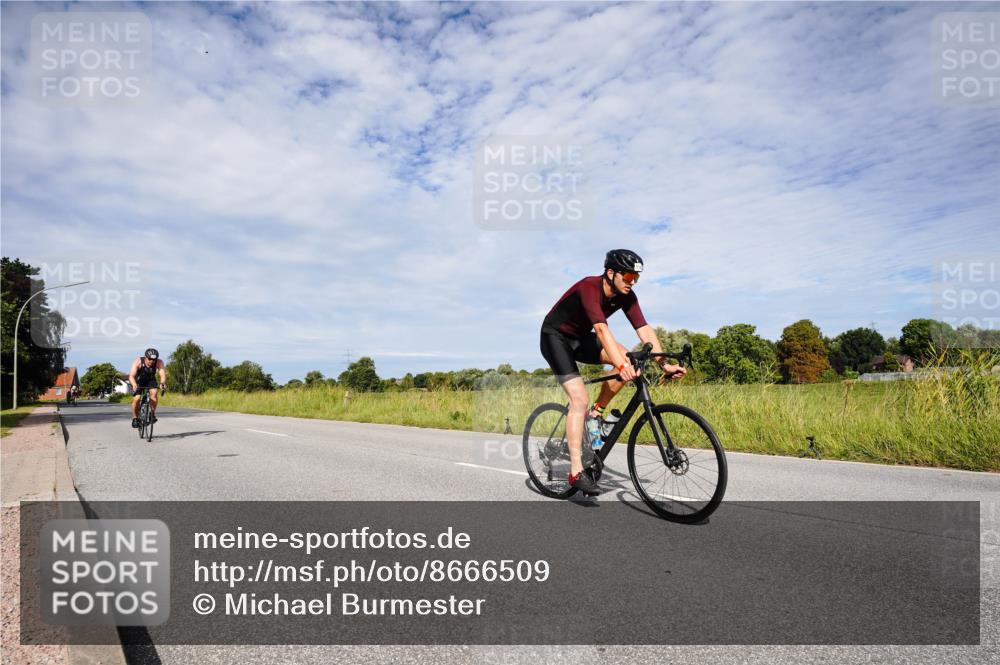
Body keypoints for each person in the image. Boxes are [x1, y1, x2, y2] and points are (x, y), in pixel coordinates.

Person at [540, 249, 686, 496]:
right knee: (579, 398)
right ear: (611, 273)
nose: (632, 283)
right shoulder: (589, 287)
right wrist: (621, 366)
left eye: (636, 279)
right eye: (628, 277)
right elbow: (601, 330)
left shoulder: (627, 296)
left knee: (631, 360)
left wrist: (664, 364)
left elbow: (645, 329)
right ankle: (576, 472)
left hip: (580, 338)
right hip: (555, 338)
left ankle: (596, 414)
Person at [129, 348, 166, 428]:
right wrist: (134, 384)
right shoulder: (138, 362)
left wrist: (162, 383)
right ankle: (135, 418)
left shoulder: (159, 362)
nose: (151, 361)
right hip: (138, 381)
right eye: (149, 359)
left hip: (151, 380)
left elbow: (162, 374)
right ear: (145, 357)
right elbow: (131, 376)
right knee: (137, 398)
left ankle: (151, 414)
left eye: (153, 359)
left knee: (154, 393)